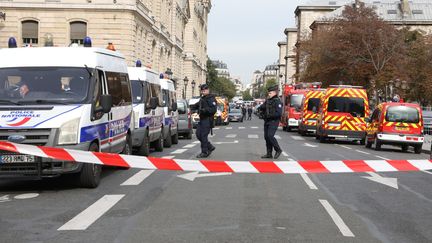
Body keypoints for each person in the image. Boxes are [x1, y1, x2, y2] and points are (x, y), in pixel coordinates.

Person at [193, 84, 217, 158]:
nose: (203, 92)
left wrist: (204, 110)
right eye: (202, 91)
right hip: (202, 119)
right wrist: (191, 107)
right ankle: (209, 146)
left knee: (203, 136)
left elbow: (213, 109)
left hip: (207, 119)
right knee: (198, 134)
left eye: (204, 91)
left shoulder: (211, 98)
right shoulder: (203, 98)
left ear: (208, 90)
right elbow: (197, 105)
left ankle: (204, 152)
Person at [258, 85, 283, 159]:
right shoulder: (268, 101)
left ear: (275, 93)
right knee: (266, 137)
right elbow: (262, 107)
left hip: (274, 121)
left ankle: (278, 149)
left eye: (270, 93)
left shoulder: (277, 101)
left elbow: (279, 113)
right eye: (268, 93)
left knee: (270, 136)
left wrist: (270, 115)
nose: (269, 94)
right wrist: (260, 110)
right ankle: (269, 153)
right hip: (267, 121)